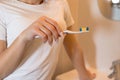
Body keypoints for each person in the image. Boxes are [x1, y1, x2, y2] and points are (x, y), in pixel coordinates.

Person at [0, 0, 95, 80]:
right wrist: (23, 37)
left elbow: (73, 48)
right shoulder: (3, 7)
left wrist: (84, 75)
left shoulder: (60, 3)